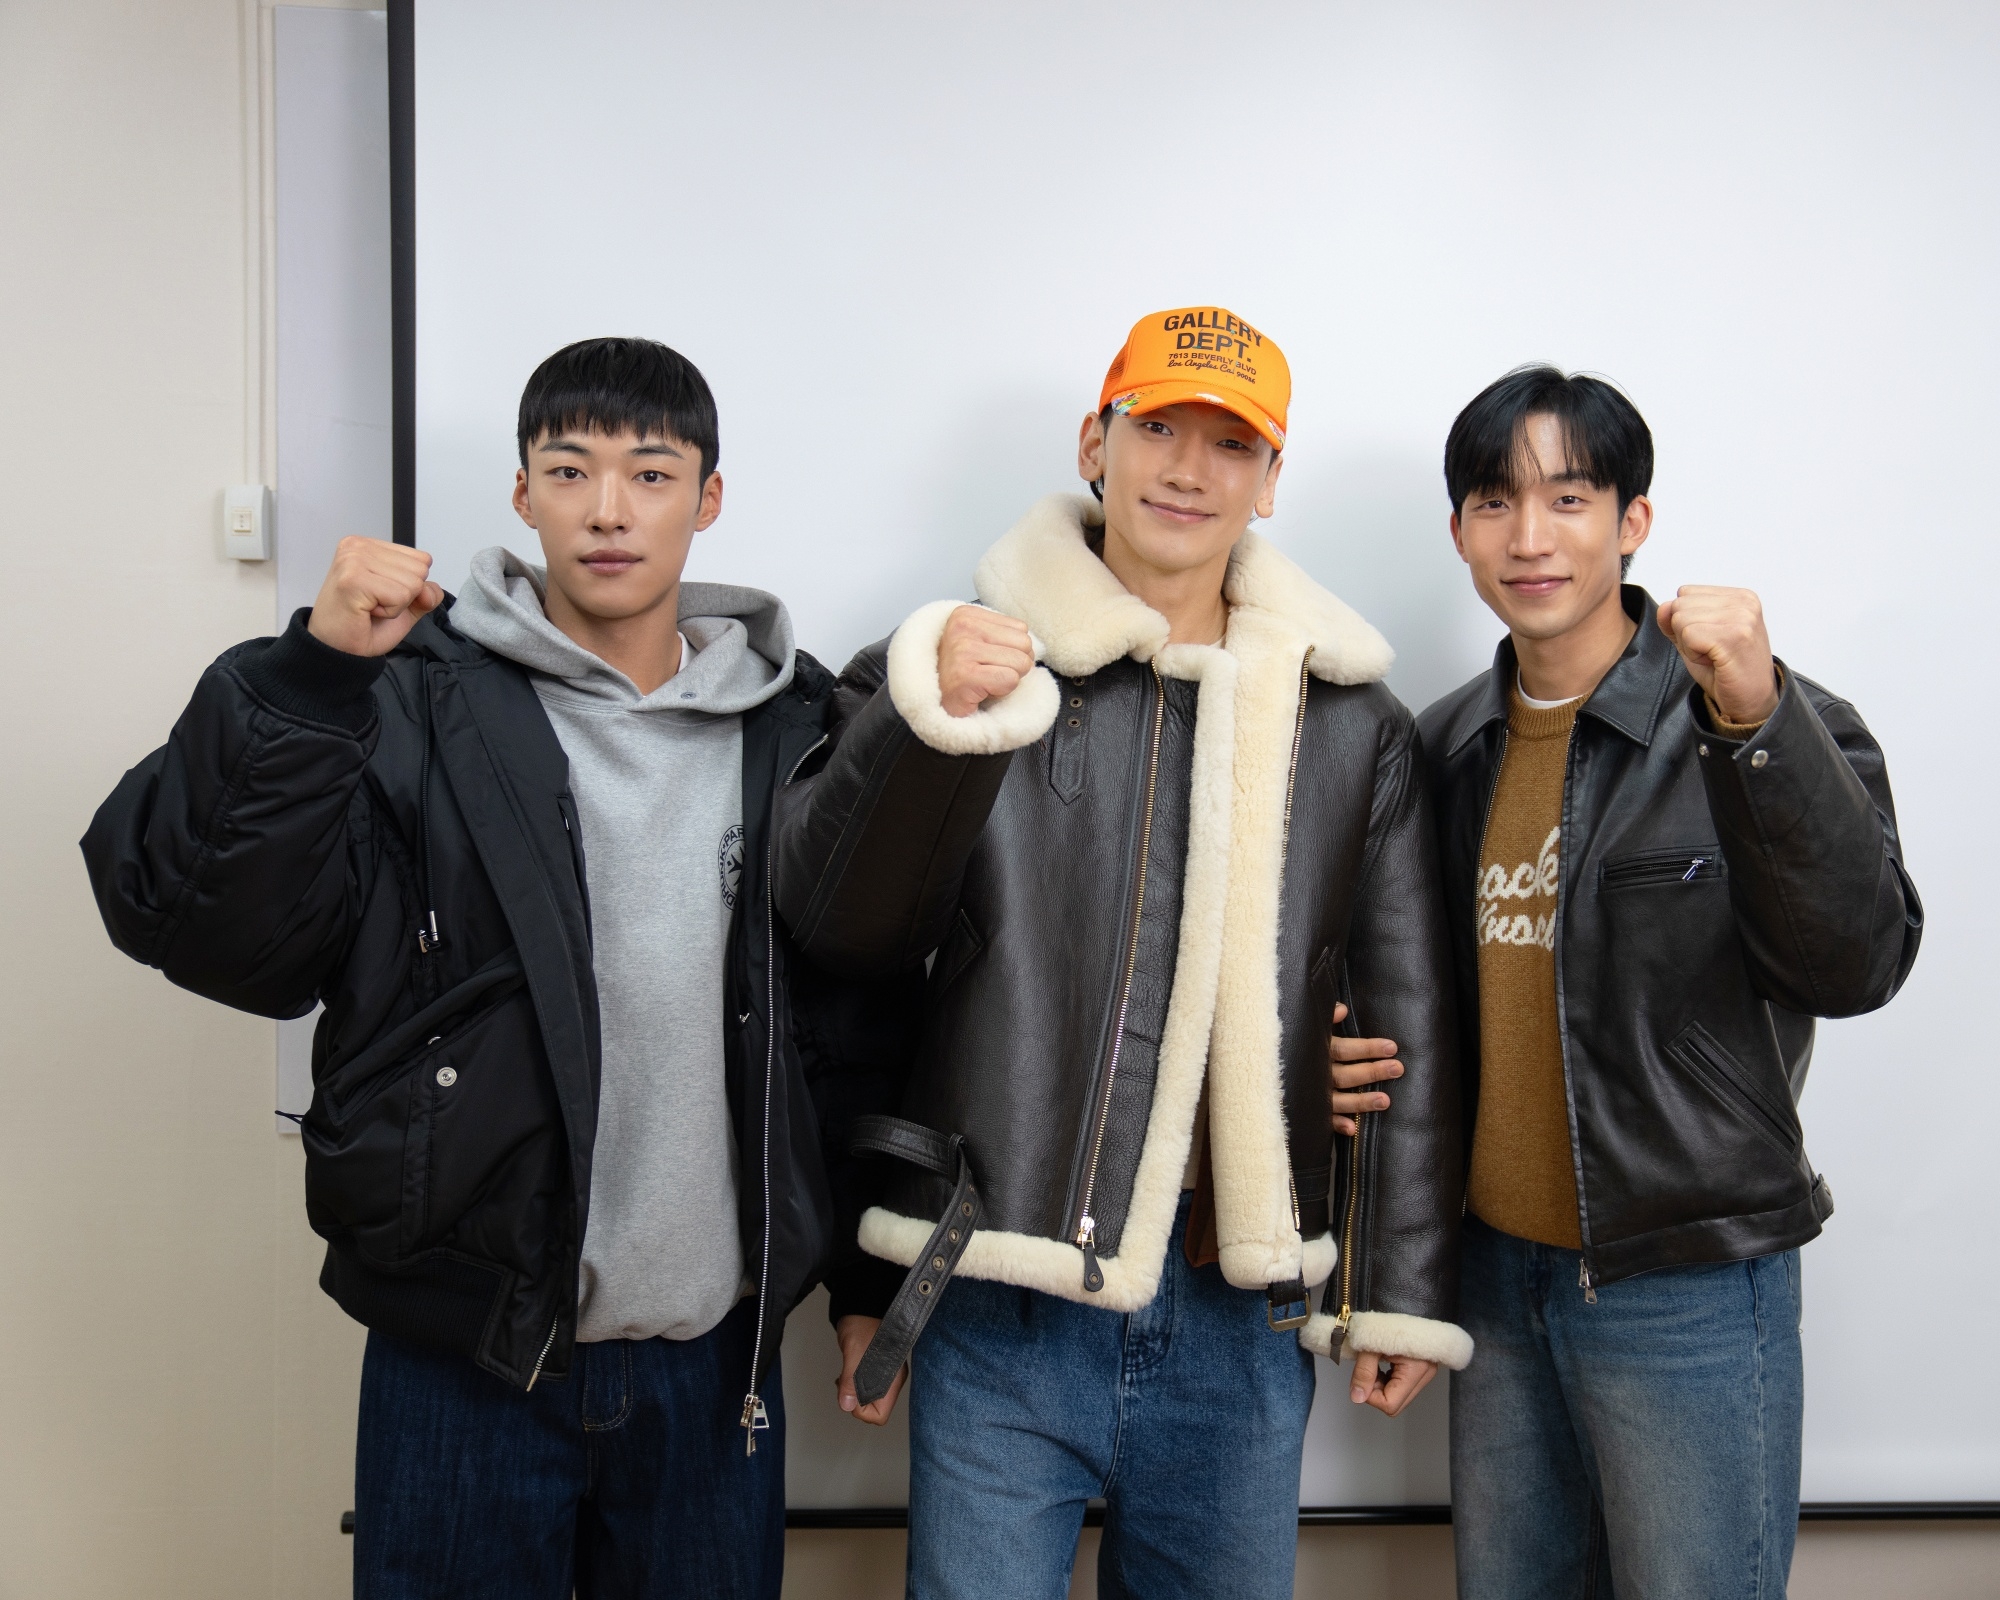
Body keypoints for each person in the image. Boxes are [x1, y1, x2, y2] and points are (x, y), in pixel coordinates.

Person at [81, 337, 905, 1599]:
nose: (609, 510)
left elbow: (842, 1022)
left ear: (708, 499)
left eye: (650, 474)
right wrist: (311, 673)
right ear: (522, 494)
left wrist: (863, 1272)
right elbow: (197, 922)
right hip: (462, 1353)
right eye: (569, 471)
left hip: (710, 1362)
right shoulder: (409, 698)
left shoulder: (791, 724)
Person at [775, 307, 1471, 1600]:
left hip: (1234, 1318)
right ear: (1095, 443)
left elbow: (1403, 1017)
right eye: (1157, 428)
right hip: (997, 1291)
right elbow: (843, 941)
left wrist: (1399, 1287)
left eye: (1230, 444)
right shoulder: (957, 662)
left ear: (1270, 480)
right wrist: (926, 723)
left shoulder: (1346, 719)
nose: (1188, 470)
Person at [1331, 366, 1923, 1598]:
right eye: (1493, 503)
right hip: (1493, 1284)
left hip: (1684, 1283)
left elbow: (1856, 963)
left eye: (1568, 497)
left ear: (1631, 519)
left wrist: (1753, 722)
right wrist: (1393, 1271)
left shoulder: (1758, 719)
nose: (1528, 537)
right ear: (1458, 532)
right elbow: (1412, 1023)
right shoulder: (1441, 746)